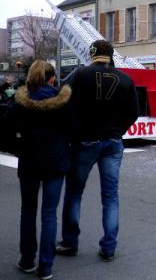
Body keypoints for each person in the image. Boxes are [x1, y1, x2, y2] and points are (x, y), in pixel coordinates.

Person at [56, 40, 139, 261]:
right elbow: (134, 111)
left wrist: (75, 133)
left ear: (92, 54)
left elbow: (64, 103)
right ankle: (109, 247)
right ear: (111, 55)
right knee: (110, 196)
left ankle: (69, 242)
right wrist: (119, 129)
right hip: (113, 141)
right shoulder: (125, 79)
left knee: (74, 192)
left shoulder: (80, 75)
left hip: (86, 140)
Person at [12, 61, 73, 280]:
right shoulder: (63, 101)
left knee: (27, 211)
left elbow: (9, 129)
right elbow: (73, 129)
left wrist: (18, 149)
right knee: (49, 214)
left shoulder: (20, 101)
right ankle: (45, 267)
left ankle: (27, 260)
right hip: (55, 163)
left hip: (29, 162)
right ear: (52, 78)